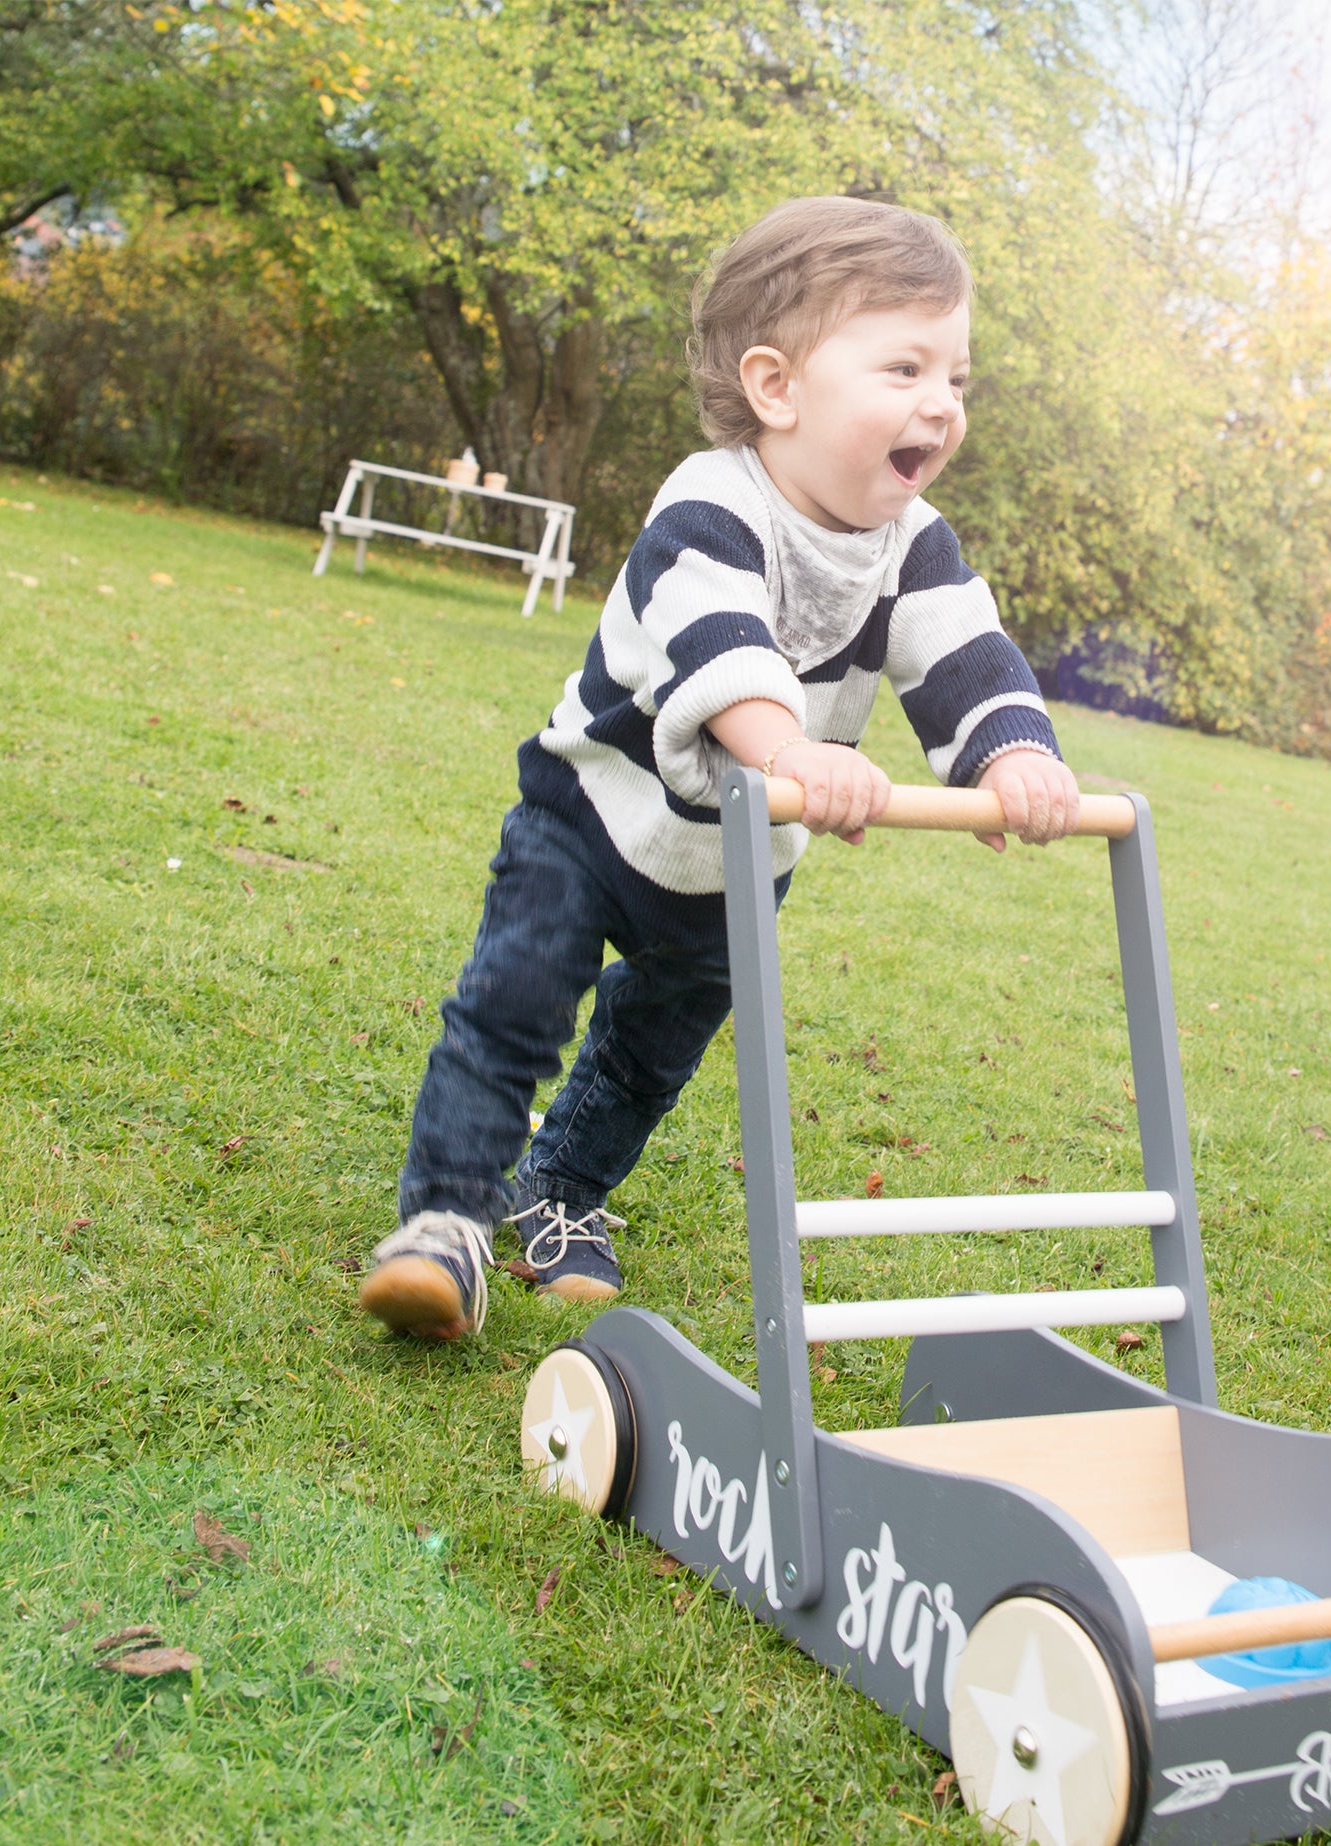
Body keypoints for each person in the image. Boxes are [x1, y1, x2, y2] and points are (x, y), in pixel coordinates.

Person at [360, 195, 1081, 1340]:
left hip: (740, 852)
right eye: (903, 367)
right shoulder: (709, 502)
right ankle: (443, 1220)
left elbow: (962, 654)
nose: (939, 405)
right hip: (594, 811)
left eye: (956, 376)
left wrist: (1015, 751)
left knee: (653, 1047)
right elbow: (722, 645)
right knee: (513, 1004)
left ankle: (561, 1192)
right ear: (775, 386)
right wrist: (793, 746)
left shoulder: (915, 542)